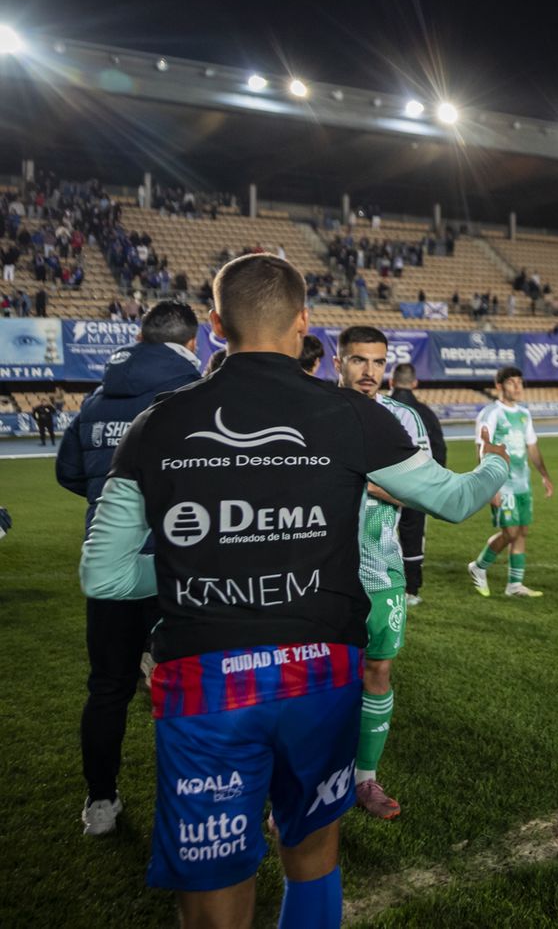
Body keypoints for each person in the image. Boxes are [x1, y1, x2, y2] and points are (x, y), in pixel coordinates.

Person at [79, 254, 508, 929]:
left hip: (205, 680)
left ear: (215, 325)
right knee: (311, 853)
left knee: (217, 878)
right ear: (304, 322)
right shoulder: (353, 415)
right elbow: (454, 501)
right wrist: (497, 465)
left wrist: (207, 575)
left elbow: (102, 575)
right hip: (318, 669)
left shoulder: (156, 424)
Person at [57, 300, 201, 836]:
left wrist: (109, 500)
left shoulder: (97, 399)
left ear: (140, 338)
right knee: (187, 686)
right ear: (192, 344)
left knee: (107, 687)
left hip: (111, 564)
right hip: (176, 565)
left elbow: (69, 471)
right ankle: (192, 803)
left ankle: (100, 801)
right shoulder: (193, 394)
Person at [333, 326, 431, 820]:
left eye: (377, 361)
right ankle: (310, 783)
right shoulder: (318, 412)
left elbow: (421, 490)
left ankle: (364, 779)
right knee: (322, 680)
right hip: (322, 570)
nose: (369, 371)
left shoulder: (404, 419)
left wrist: (362, 483)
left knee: (378, 670)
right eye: (358, 360)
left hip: (382, 567)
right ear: (338, 363)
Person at [467, 367, 555, 598]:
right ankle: (479, 566)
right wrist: (489, 484)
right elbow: (482, 449)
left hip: (522, 483)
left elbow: (532, 447)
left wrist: (544, 475)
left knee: (522, 531)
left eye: (520, 382)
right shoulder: (491, 413)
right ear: (499, 386)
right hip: (502, 483)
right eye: (511, 382)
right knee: (510, 532)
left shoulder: (524, 414)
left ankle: (514, 585)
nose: (517, 387)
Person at [387, 362, 446, 606]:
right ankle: (411, 589)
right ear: (415, 383)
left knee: (381, 533)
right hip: (418, 485)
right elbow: (439, 449)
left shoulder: (379, 407)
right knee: (413, 535)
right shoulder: (425, 412)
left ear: (391, 382)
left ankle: (382, 585)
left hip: (383, 484)